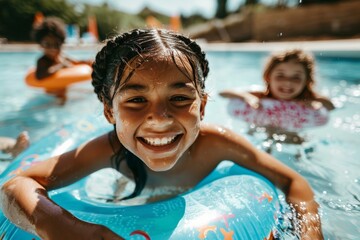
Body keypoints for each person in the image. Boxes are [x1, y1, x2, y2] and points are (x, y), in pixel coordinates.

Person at [0, 29, 323, 240]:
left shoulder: (218, 144)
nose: (159, 117)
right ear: (110, 112)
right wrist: (63, 226)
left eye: (180, 98)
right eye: (137, 100)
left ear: (203, 106)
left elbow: (295, 183)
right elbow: (17, 185)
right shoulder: (109, 150)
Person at [220, 49, 335, 146]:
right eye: (280, 76)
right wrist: (247, 97)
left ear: (306, 82)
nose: (288, 83)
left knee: (300, 142)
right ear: (268, 77)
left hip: (292, 136)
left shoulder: (306, 98)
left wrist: (316, 102)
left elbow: (331, 106)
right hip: (260, 132)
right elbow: (223, 93)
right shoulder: (262, 95)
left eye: (296, 78)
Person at [31, 16, 92, 104]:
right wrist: (60, 66)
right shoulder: (42, 61)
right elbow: (39, 76)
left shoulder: (62, 57)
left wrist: (87, 62)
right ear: (41, 45)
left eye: (57, 45)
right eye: (47, 44)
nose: (53, 49)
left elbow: (76, 63)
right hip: (51, 95)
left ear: (61, 44)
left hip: (64, 92)